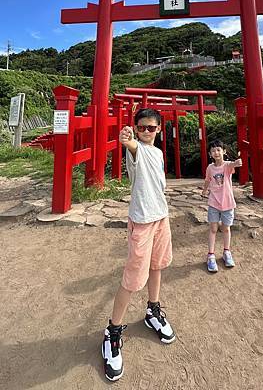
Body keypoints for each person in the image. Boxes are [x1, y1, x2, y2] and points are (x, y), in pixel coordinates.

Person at [102, 108, 175, 383]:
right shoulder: (138, 150)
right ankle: (113, 331)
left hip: (161, 217)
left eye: (151, 128)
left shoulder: (156, 153)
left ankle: (152, 310)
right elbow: (131, 145)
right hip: (142, 222)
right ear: (135, 128)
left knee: (157, 267)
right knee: (132, 280)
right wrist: (127, 138)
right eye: (141, 127)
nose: (146, 132)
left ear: (159, 130)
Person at [202, 140, 242, 273]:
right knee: (213, 228)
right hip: (213, 202)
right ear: (210, 154)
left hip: (227, 203)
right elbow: (208, 180)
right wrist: (204, 190)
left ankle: (226, 252)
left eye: (219, 149)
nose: (216, 152)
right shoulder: (210, 168)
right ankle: (211, 255)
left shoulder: (227, 166)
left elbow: (234, 164)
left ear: (224, 151)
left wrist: (238, 162)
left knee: (226, 229)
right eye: (213, 150)